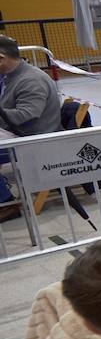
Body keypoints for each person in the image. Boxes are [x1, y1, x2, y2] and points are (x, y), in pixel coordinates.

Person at [0, 35, 63, 209]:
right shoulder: (10, 75)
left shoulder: (30, 80)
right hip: (15, 132)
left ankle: (5, 204)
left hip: (32, 137)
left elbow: (27, 114)